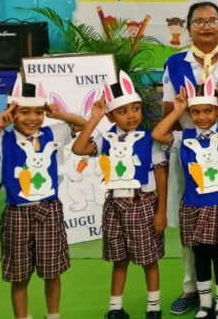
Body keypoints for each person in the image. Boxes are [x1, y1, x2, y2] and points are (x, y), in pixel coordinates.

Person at [162, 1, 218, 314]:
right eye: (198, 21)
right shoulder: (175, 63)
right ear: (188, 27)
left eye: (212, 20)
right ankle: (191, 288)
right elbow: (168, 111)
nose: (206, 26)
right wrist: (189, 142)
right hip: (190, 152)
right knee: (192, 224)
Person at [0, 74, 87, 319]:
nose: (32, 118)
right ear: (11, 112)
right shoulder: (4, 140)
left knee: (52, 272)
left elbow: (83, 124)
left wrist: (58, 114)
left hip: (49, 211)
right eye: (24, 111)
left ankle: (53, 315)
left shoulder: (53, 133)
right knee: (19, 276)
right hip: (17, 215)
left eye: (39, 112)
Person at [71, 71, 168, 319]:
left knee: (148, 259)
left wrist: (161, 211)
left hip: (142, 202)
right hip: (114, 204)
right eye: (123, 111)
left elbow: (160, 176)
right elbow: (79, 148)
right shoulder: (106, 139)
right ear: (111, 115)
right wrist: (94, 119)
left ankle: (154, 307)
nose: (131, 115)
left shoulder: (149, 139)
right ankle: (115, 308)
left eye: (135, 109)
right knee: (119, 258)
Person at [152, 77, 218, 319]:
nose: (202, 117)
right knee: (201, 258)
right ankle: (205, 303)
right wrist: (178, 111)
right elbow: (158, 133)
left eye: (208, 111)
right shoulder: (183, 137)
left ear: (217, 111)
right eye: (195, 112)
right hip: (193, 207)